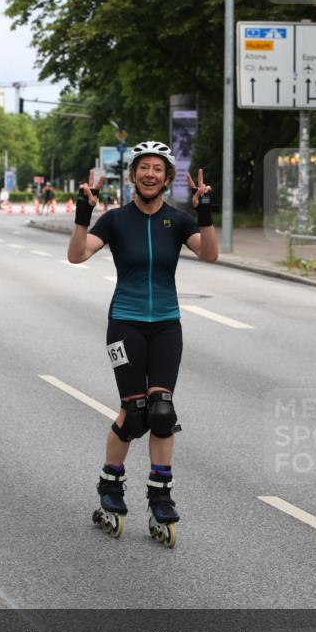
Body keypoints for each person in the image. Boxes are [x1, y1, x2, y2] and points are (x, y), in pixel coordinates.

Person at [67, 140, 218, 547]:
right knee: (134, 411)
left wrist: (204, 210)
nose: (150, 174)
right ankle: (110, 486)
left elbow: (210, 255)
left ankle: (160, 495)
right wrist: (85, 213)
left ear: (167, 178)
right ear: (133, 175)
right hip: (125, 325)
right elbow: (77, 256)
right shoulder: (115, 220)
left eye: (158, 169)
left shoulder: (179, 220)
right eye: (143, 168)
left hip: (167, 324)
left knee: (162, 410)